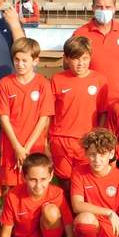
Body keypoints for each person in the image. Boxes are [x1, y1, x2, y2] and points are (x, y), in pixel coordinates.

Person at [0, 153, 74, 237]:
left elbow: (70, 234)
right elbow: (5, 234)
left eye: (43, 179)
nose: (38, 185)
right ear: (24, 177)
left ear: (51, 176)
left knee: (51, 211)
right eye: (33, 179)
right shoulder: (13, 196)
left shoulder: (57, 194)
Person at [0, 37, 54, 189]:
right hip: (11, 145)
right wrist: (17, 147)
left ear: (35, 61)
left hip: (35, 145)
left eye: (25, 60)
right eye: (17, 60)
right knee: (8, 188)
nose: (20, 64)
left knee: (34, 186)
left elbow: (43, 118)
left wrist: (26, 148)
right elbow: (4, 118)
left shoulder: (43, 84)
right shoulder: (5, 84)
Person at [49, 36, 109, 189]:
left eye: (84, 58)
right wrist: (46, 140)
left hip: (87, 140)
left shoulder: (100, 81)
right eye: (75, 59)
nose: (80, 63)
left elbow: (102, 112)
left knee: (86, 181)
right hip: (61, 140)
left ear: (90, 57)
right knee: (66, 181)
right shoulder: (57, 80)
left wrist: (97, 136)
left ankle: (86, 212)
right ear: (67, 59)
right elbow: (49, 113)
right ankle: (68, 212)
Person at [72, 0, 119, 104]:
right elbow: (69, 63)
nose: (103, 10)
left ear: (114, 9)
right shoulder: (80, 33)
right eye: (99, 7)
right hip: (90, 97)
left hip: (118, 98)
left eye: (108, 7)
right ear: (93, 8)